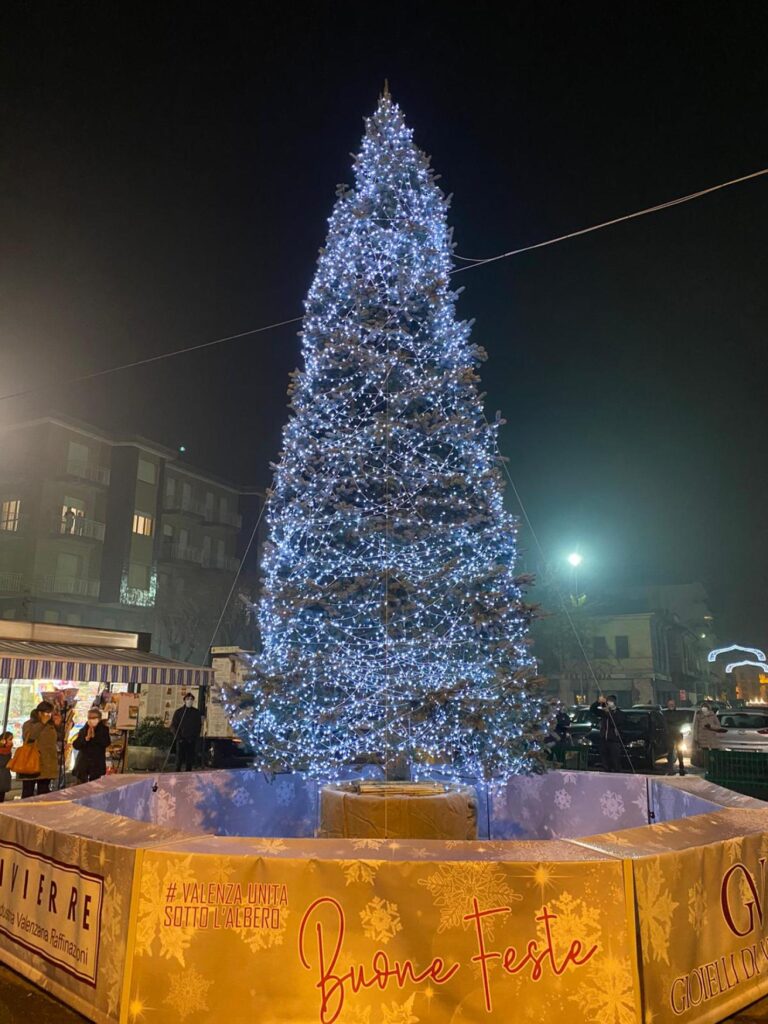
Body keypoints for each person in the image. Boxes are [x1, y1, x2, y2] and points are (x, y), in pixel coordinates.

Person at [19, 700, 58, 798]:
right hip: (31, 761)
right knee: (28, 792)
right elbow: (30, 737)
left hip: (47, 764)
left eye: (50, 713)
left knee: (43, 792)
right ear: (39, 713)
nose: (48, 715)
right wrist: (41, 724)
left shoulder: (51, 725)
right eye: (46, 713)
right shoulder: (29, 724)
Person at [72, 708, 111, 783]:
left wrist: (95, 736)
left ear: (99, 719)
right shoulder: (84, 730)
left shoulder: (104, 730)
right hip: (83, 766)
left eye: (93, 718)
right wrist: (86, 738)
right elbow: (76, 745)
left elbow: (106, 743)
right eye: (89, 718)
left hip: (96, 766)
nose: (91, 720)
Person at [590, 694, 626, 772]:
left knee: (615, 761)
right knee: (605, 761)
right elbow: (592, 709)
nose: (608, 703)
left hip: (614, 741)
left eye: (609, 702)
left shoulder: (619, 713)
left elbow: (616, 722)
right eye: (607, 701)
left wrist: (609, 713)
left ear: (614, 703)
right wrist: (598, 702)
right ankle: (606, 773)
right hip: (603, 740)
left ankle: (617, 775)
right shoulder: (604, 713)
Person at [170, 692, 203, 771]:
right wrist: (178, 737)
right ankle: (176, 775)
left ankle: (188, 775)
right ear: (184, 700)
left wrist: (195, 737)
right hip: (181, 740)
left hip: (191, 740)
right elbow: (173, 726)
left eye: (191, 699)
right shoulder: (179, 712)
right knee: (179, 760)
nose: (189, 701)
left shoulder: (196, 712)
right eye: (188, 699)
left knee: (189, 761)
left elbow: (198, 726)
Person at [692, 700, 726, 770]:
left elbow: (718, 726)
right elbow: (695, 727)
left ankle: (714, 767)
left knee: (714, 754)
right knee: (705, 755)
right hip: (702, 739)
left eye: (705, 708)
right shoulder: (699, 716)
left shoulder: (713, 715)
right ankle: (707, 767)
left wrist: (710, 726)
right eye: (703, 707)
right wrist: (696, 738)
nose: (704, 709)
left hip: (712, 738)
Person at [663, 698, 687, 776]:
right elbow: (665, 723)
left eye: (672, 704)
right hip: (669, 735)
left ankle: (681, 768)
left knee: (680, 751)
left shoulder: (678, 713)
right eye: (670, 704)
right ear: (667, 705)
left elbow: (682, 721)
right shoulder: (665, 713)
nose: (671, 706)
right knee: (670, 752)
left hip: (678, 735)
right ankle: (670, 769)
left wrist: (674, 724)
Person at [0, 732, 13, 802]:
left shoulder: (8, 751)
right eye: (10, 739)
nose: (11, 742)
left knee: (2, 797)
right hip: (2, 774)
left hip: (4, 776)